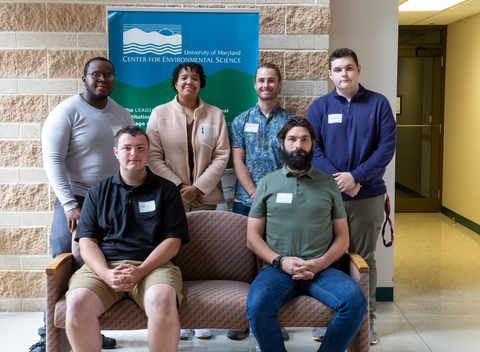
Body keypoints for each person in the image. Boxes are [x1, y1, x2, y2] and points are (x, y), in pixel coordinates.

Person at [30, 57, 133, 352]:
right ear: (84, 78)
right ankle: (46, 334)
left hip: (111, 201)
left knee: (101, 261)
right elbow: (52, 160)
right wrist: (68, 204)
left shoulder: (122, 114)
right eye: (96, 75)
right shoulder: (66, 112)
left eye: (108, 76)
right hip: (74, 200)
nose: (103, 80)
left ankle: (90, 330)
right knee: (63, 261)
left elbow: (129, 157)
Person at [245, 116, 367, 352]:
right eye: (292, 139)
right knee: (257, 306)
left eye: (304, 139)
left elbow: (343, 237)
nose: (298, 145)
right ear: (282, 144)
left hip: (322, 270)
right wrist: (281, 261)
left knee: (355, 303)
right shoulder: (267, 184)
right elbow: (253, 238)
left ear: (313, 144)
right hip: (278, 270)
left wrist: (320, 263)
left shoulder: (329, 184)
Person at [65, 126, 189, 352]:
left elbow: (173, 242)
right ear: (116, 152)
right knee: (76, 303)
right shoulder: (97, 191)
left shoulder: (167, 190)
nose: (134, 153)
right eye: (127, 148)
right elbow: (86, 242)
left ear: (149, 151)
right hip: (103, 268)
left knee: (162, 300)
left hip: (153, 267)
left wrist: (140, 271)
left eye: (140, 148)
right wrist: (105, 273)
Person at [306, 48, 397, 345]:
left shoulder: (379, 103)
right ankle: (331, 319)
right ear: (329, 74)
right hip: (327, 197)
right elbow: (312, 149)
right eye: (338, 69)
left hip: (367, 195)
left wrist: (356, 178)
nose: (344, 74)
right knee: (328, 258)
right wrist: (339, 183)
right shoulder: (319, 107)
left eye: (349, 68)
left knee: (363, 259)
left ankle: (365, 321)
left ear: (358, 69)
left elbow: (385, 148)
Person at [146, 62, 229, 339]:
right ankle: (176, 316)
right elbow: (153, 157)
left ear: (201, 83)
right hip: (170, 197)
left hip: (205, 197)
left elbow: (221, 155)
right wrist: (180, 186)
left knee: (203, 255)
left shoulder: (215, 114)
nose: (189, 82)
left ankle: (200, 317)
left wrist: (199, 187)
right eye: (184, 77)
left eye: (195, 78)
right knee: (173, 254)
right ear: (175, 83)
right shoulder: (159, 114)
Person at [228, 62, 295, 340]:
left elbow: (294, 164)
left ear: (279, 85)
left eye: (271, 80)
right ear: (254, 85)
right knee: (244, 261)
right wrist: (256, 193)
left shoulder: (292, 123)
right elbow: (237, 161)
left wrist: (269, 196)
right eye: (261, 81)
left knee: (276, 262)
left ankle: (273, 319)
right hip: (246, 201)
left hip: (283, 203)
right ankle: (242, 318)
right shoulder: (240, 121)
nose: (266, 85)